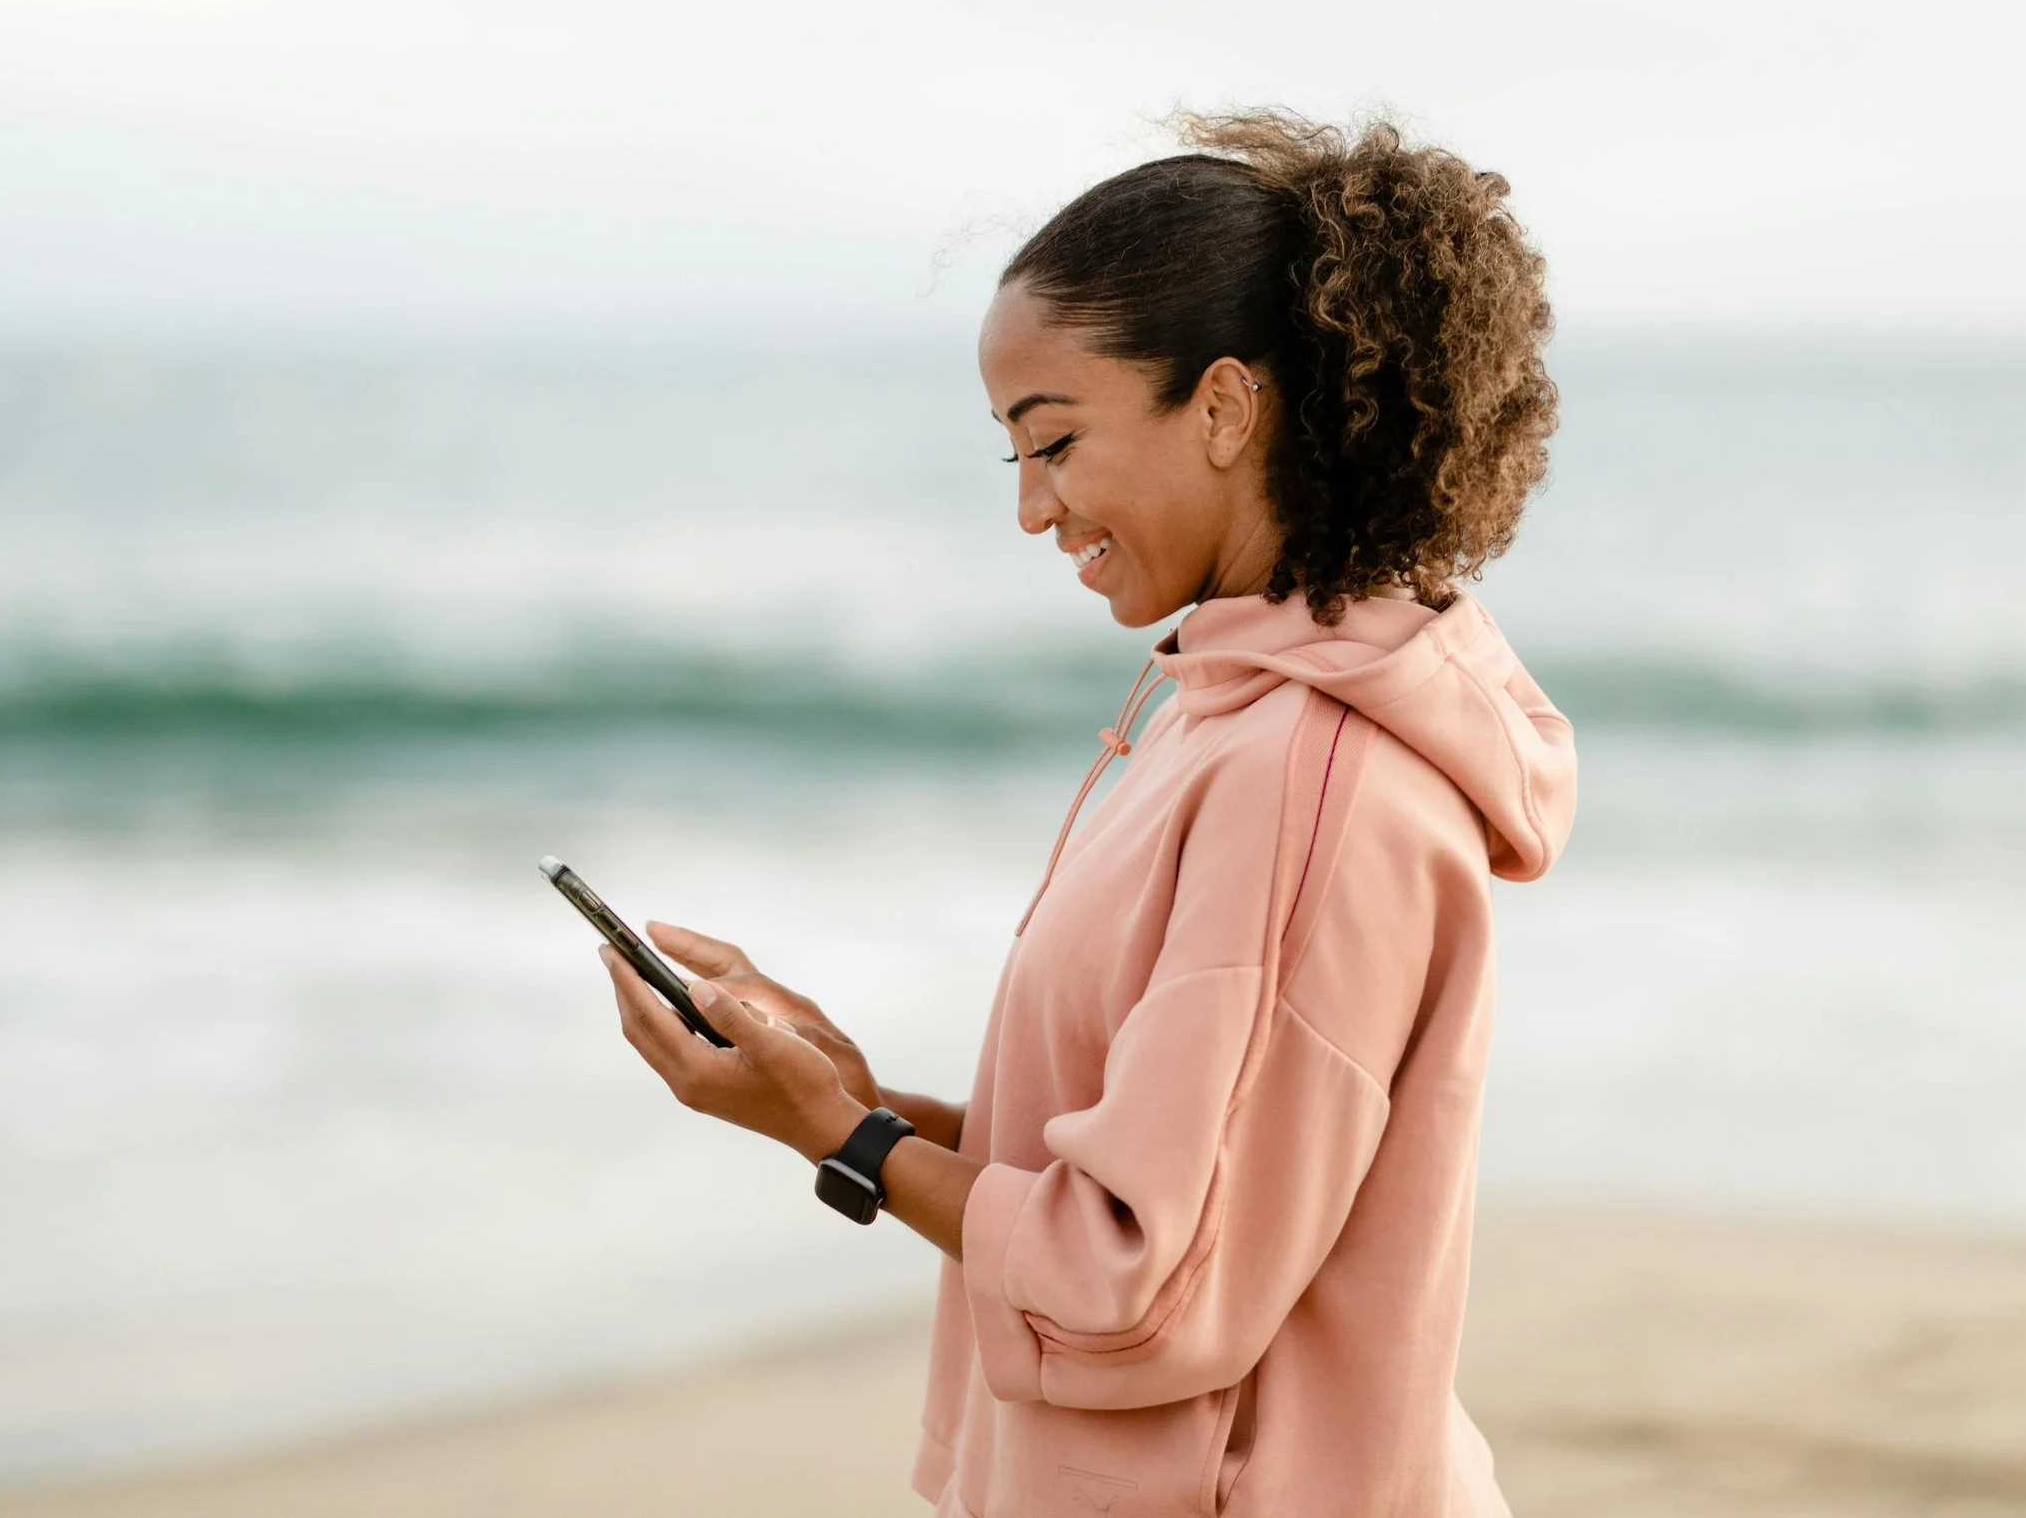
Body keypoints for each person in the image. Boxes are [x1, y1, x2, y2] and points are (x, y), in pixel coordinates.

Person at [604, 110, 1576, 1517]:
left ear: (1229, 408)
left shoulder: (1308, 780)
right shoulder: (1220, 713)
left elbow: (1144, 1282)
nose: (1032, 507)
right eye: (1012, 455)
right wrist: (863, 1098)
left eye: (1052, 441)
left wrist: (843, 1141)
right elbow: (1171, 1172)